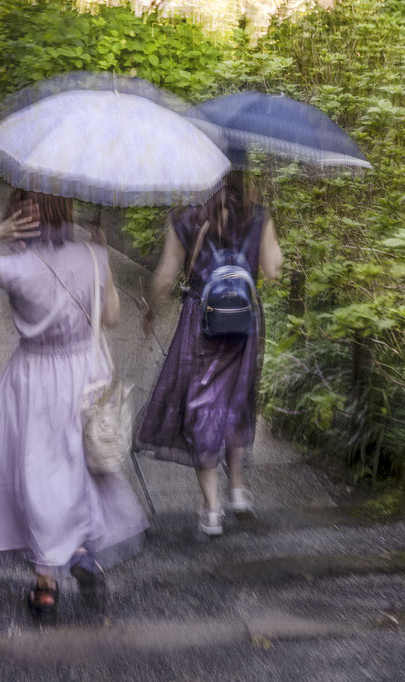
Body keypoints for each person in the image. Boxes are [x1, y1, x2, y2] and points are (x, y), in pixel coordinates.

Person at [0, 189, 148, 618]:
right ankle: (79, 546)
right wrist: (102, 258)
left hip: (35, 379)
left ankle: (46, 581)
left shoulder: (18, 268)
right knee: (82, 468)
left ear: (21, 221)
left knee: (40, 475)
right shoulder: (91, 255)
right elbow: (110, 318)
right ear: (66, 214)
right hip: (86, 375)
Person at [136, 171, 283, 536]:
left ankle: (212, 509)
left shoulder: (185, 217)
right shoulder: (259, 215)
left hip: (201, 321)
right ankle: (238, 492)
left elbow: (165, 278)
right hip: (244, 324)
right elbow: (273, 270)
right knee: (235, 400)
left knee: (202, 405)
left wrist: (150, 309)